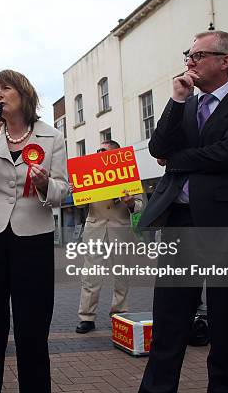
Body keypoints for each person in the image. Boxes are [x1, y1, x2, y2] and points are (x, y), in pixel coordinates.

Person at [137, 30, 228, 392]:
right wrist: (177, 99)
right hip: (181, 223)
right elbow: (158, 147)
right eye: (188, 54)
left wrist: (178, 161)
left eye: (197, 55)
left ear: (224, 61)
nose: (189, 61)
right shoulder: (186, 105)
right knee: (168, 321)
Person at [0, 69, 69, 392]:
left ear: (23, 94)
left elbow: (63, 190)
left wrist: (44, 184)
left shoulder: (52, 137)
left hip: (33, 238)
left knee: (32, 328)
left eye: (5, 88)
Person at [75, 140, 143, 334]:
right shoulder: (89, 172)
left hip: (120, 230)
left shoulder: (127, 174)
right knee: (91, 275)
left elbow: (139, 205)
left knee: (121, 276)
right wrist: (77, 192)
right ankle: (87, 317)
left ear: (116, 154)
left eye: (103, 150)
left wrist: (130, 203)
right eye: (97, 149)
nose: (98, 152)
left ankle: (119, 313)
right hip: (95, 230)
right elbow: (80, 205)